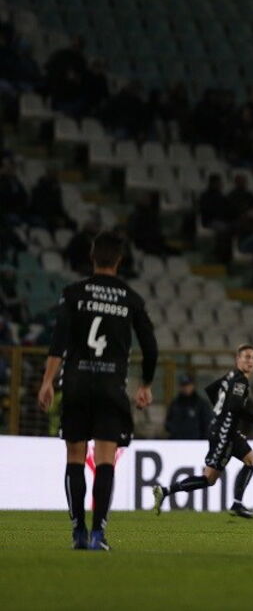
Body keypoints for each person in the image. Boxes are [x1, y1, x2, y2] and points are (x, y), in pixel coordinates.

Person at [36, 231, 159, 551]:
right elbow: (150, 346)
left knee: (75, 456)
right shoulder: (131, 299)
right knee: (105, 460)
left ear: (92, 256)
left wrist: (48, 381)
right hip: (110, 387)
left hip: (76, 385)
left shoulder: (74, 293)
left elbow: (58, 341)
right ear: (119, 260)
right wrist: (146, 384)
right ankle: (97, 534)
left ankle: (78, 531)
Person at [152, 345, 253, 518]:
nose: (250, 361)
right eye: (246, 357)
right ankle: (165, 491)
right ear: (238, 359)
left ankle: (236, 503)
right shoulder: (240, 381)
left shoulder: (230, 376)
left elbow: (212, 390)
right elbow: (235, 407)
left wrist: (222, 414)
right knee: (209, 479)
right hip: (224, 434)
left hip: (224, 430)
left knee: (250, 460)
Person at [164, 374, 213, 440]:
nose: (186, 388)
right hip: (177, 441)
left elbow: (207, 424)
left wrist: (203, 440)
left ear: (193, 386)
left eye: (188, 385)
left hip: (196, 442)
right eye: (183, 385)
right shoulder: (175, 404)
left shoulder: (202, 404)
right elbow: (168, 423)